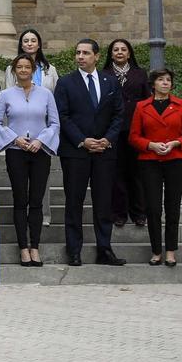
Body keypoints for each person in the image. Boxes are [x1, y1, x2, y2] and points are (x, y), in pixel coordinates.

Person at [55, 39, 126, 267]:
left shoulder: (111, 81)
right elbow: (62, 116)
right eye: (77, 53)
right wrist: (82, 140)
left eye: (85, 53)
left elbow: (118, 114)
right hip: (76, 152)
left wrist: (107, 139)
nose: (80, 57)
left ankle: (104, 250)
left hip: (104, 152)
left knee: (103, 203)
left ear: (96, 56)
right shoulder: (66, 82)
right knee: (74, 202)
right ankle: (74, 251)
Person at [0, 53, 60, 267]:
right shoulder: (5, 95)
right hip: (16, 151)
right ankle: (23, 248)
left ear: (33, 70)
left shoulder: (46, 94)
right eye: (19, 67)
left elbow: (55, 124)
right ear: (14, 71)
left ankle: (35, 247)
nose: (23, 70)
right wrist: (14, 138)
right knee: (20, 199)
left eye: (26, 67)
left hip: (39, 151)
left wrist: (41, 141)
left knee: (37, 200)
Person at [129, 68, 182, 267]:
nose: (166, 83)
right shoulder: (142, 106)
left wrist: (176, 142)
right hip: (149, 161)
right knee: (152, 207)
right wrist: (150, 145)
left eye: (168, 80)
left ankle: (170, 251)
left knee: (172, 207)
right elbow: (133, 136)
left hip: (175, 160)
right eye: (161, 80)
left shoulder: (181, 105)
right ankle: (156, 250)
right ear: (153, 84)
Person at [4, 27, 61, 225]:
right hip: (20, 128)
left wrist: (48, 134)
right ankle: (22, 215)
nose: (29, 43)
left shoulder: (50, 69)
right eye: (25, 40)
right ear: (21, 44)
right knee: (21, 184)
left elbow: (55, 97)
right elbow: (9, 97)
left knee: (41, 181)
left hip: (43, 129)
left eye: (33, 40)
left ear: (39, 44)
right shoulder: (13, 69)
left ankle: (43, 215)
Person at [104, 38, 150, 228]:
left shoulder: (140, 74)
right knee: (117, 172)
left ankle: (139, 212)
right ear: (111, 54)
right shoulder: (104, 75)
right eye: (116, 50)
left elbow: (147, 101)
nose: (120, 52)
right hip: (113, 130)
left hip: (136, 130)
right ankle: (119, 213)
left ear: (129, 53)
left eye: (124, 49)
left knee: (136, 172)